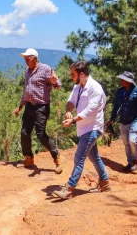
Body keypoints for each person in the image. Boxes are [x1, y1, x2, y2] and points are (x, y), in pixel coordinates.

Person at [53, 61, 110, 199]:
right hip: (83, 127)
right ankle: (105, 183)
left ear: (82, 74)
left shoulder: (95, 88)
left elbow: (90, 110)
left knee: (79, 157)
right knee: (94, 156)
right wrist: (68, 111)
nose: (71, 77)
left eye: (73, 75)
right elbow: (71, 101)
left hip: (93, 127)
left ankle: (69, 188)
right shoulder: (78, 86)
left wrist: (73, 120)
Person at [12, 48, 64, 174]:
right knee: (25, 132)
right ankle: (29, 158)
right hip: (29, 106)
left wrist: (54, 82)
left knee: (40, 134)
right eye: (25, 59)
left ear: (35, 58)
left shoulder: (46, 69)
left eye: (27, 58)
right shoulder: (27, 71)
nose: (26, 61)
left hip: (41, 107)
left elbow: (58, 85)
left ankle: (56, 157)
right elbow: (26, 89)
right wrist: (20, 106)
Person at [107, 71, 137, 172]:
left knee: (132, 140)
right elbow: (116, 106)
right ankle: (130, 163)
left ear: (129, 81)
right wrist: (112, 119)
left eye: (123, 79)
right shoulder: (120, 91)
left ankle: (135, 161)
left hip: (136, 120)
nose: (121, 81)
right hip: (123, 120)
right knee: (126, 142)